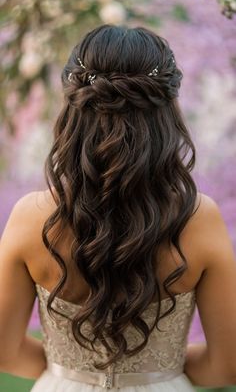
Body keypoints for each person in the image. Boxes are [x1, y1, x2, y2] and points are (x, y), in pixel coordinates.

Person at [0, 25, 236, 392]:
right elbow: (226, 367)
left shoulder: (32, 217)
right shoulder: (200, 219)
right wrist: (162, 369)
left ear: (72, 108)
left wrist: (68, 370)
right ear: (169, 110)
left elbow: (4, 350)